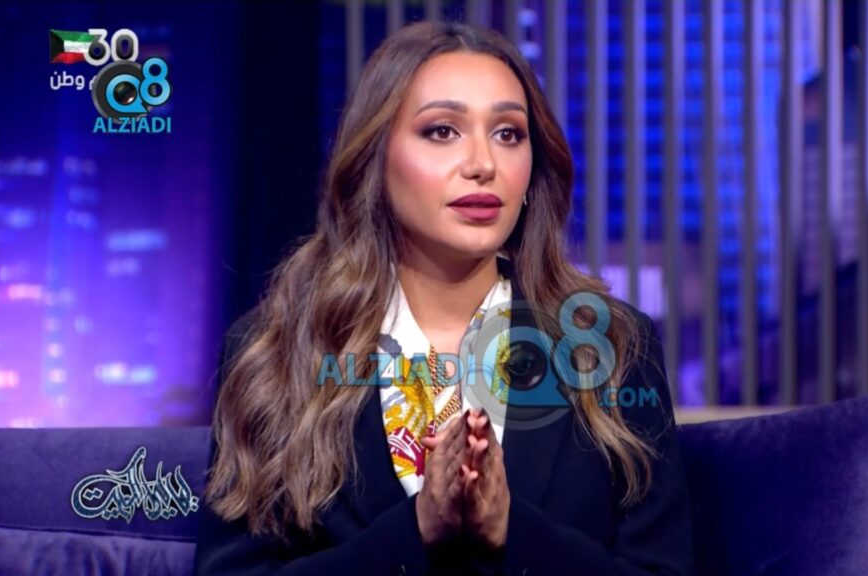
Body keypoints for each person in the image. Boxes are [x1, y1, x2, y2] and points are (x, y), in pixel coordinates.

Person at [194, 20, 695, 576]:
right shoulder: (276, 352)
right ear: (376, 159)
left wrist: (511, 530)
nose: (483, 164)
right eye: (442, 131)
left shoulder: (612, 346)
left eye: (508, 134)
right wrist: (416, 531)